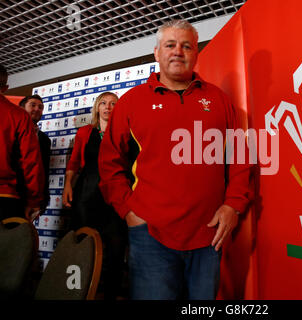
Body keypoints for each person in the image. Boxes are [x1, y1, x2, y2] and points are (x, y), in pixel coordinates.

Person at [98, 20, 252, 300]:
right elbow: (109, 163)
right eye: (170, 45)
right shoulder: (131, 102)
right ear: (157, 53)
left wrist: (234, 205)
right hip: (150, 234)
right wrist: (128, 211)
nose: (178, 51)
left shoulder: (219, 99)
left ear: (196, 54)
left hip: (209, 234)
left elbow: (240, 155)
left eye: (186, 46)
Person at [62, 91, 127, 300]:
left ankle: (111, 294)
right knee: (82, 243)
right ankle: (76, 291)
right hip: (86, 195)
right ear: (97, 107)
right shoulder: (84, 132)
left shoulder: (124, 132)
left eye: (113, 104)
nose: (108, 107)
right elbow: (73, 164)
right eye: (104, 103)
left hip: (115, 195)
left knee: (116, 247)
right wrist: (67, 187)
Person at [0, 64, 44, 221]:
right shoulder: (18, 115)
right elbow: (30, 161)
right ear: (5, 88)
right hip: (5, 197)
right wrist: (34, 200)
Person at [19, 95, 51, 215]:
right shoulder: (11, 131)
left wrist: (42, 198)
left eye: (40, 107)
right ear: (22, 108)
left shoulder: (45, 140)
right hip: (12, 194)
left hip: (36, 198)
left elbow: (44, 170)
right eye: (32, 105)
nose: (37, 109)